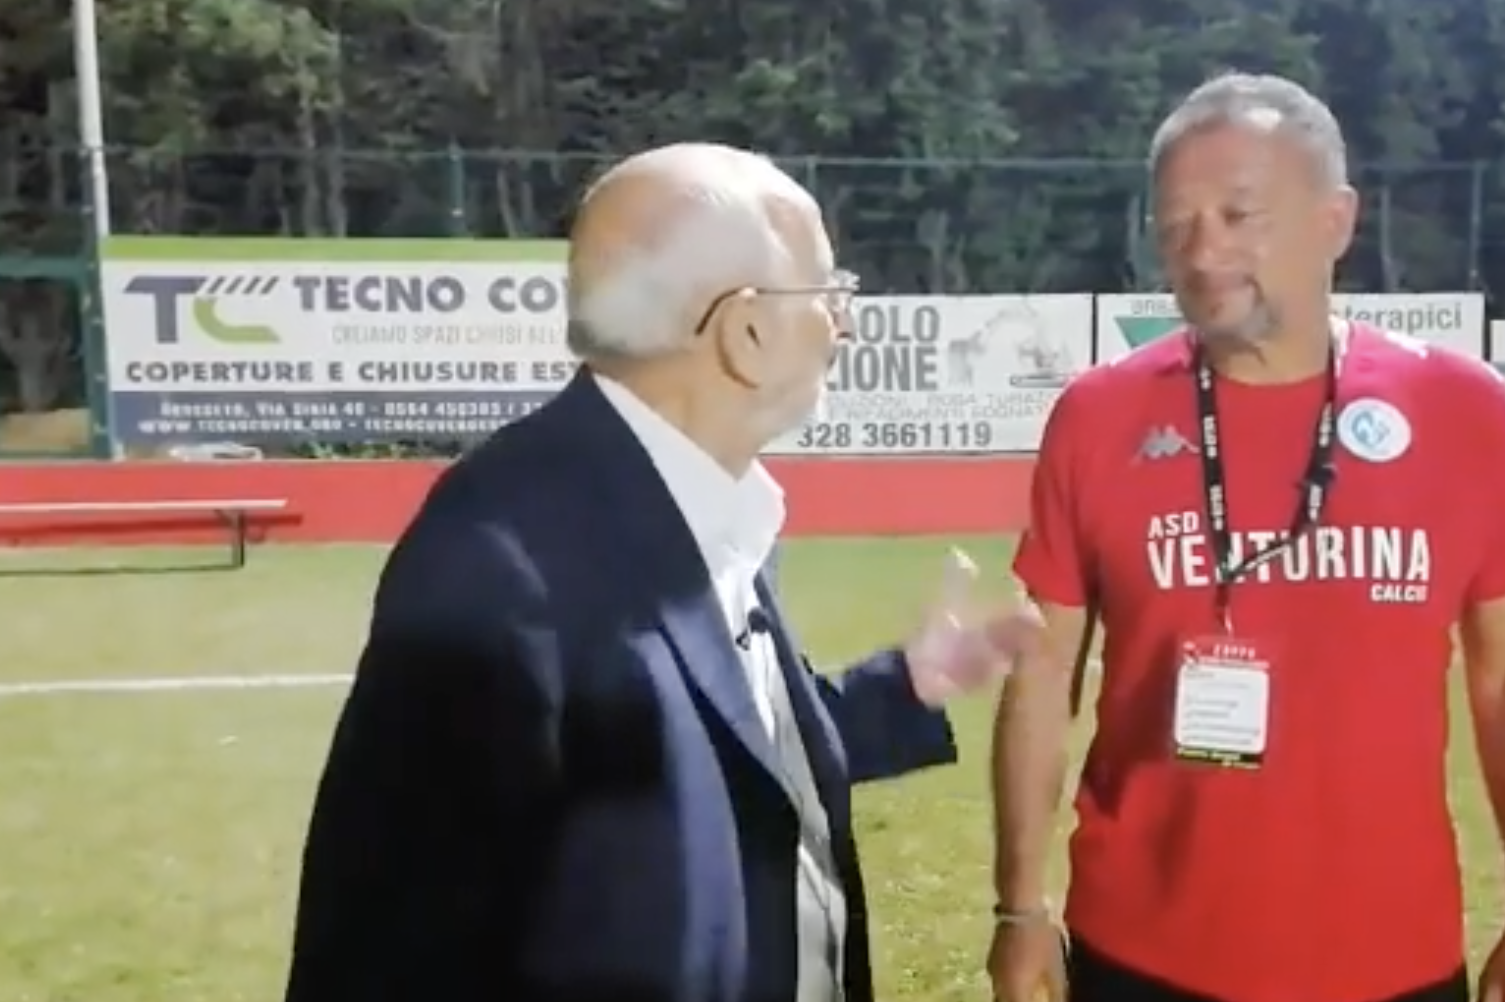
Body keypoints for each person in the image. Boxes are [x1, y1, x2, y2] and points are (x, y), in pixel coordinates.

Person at [283, 142, 1044, 1002]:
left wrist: (902, 687)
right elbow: (381, 954)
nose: (848, 324)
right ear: (747, 331)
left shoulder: (701, 507)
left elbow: (710, 753)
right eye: (830, 292)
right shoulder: (500, 561)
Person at [987, 72, 1505, 1002]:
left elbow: (1501, 679)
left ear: (1336, 221)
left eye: (1239, 214)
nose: (1203, 251)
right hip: (1140, 952)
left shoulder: (1465, 412)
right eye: (1175, 224)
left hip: (1391, 958)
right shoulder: (1098, 417)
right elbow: (1040, 672)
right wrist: (1021, 908)